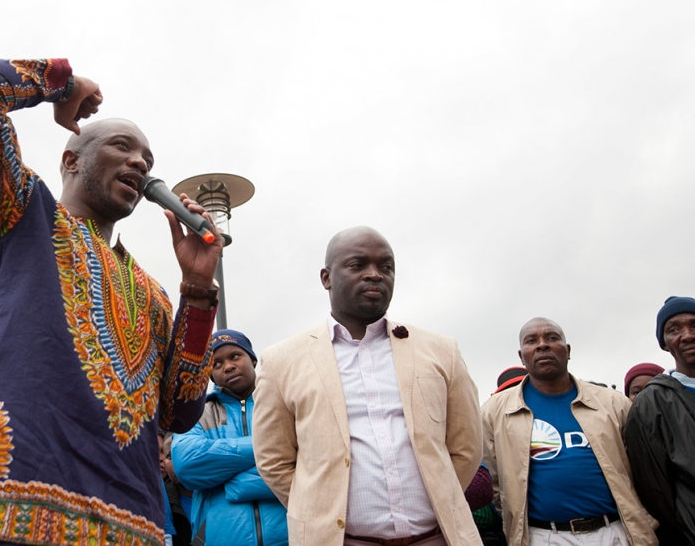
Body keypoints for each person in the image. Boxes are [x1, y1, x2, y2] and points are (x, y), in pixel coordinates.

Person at [0, 58, 221, 546]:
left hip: (134, 523)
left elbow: (180, 412)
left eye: (148, 161)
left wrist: (196, 292)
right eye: (121, 147)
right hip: (15, 511)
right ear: (71, 160)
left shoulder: (151, 294)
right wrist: (60, 83)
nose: (140, 163)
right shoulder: (20, 213)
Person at [253, 226, 483, 546]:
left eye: (385, 267)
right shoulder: (282, 361)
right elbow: (273, 459)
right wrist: (319, 508)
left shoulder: (442, 351)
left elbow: (467, 447)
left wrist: (439, 497)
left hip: (437, 537)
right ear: (326, 278)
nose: (374, 275)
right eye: (358, 265)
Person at [481, 318, 657, 545]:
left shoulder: (614, 403)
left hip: (615, 532)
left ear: (568, 350)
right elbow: (492, 483)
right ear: (521, 356)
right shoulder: (494, 412)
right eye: (531, 341)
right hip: (543, 536)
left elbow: (644, 472)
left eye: (552, 338)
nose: (542, 345)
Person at [173, 329, 287, 546]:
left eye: (235, 356)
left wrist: (235, 482)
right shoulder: (197, 413)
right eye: (216, 363)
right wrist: (272, 449)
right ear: (210, 374)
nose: (228, 366)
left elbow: (309, 460)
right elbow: (187, 466)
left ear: (252, 359)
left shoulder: (284, 401)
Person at [624, 296, 695, 544]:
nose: (687, 335)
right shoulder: (651, 404)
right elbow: (655, 492)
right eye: (673, 329)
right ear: (665, 343)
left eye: (694, 325)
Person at [161, 432, 193, 546]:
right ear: (164, 463)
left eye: (183, 453)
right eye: (170, 456)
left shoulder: (221, 495)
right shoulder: (159, 503)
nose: (178, 461)